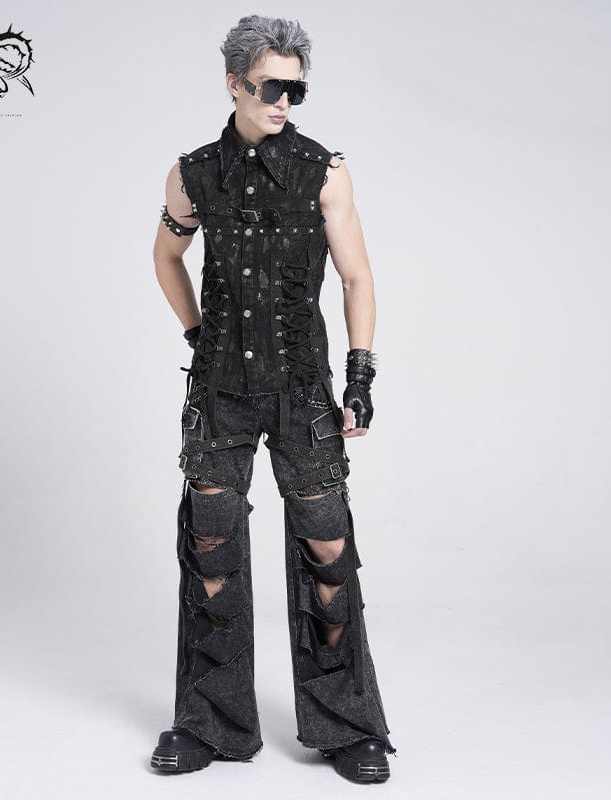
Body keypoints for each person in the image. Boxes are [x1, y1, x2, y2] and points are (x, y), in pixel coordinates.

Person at [150, 14, 396, 784]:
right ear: (234, 84)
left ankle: (347, 726)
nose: (284, 101)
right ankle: (210, 723)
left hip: (303, 391)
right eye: (270, 87)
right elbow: (166, 255)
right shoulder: (192, 174)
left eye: (297, 89)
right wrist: (199, 335)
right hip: (220, 392)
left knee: (328, 550)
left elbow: (356, 278)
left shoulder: (326, 172)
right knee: (211, 552)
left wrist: (360, 377)